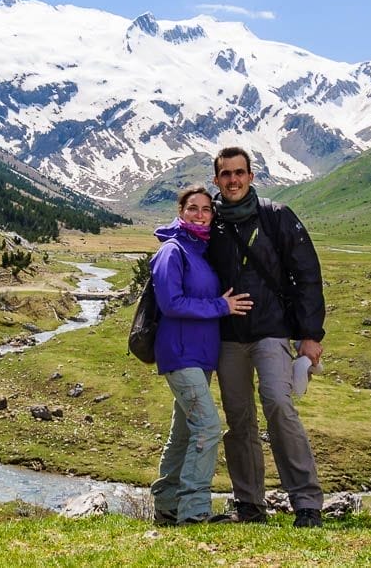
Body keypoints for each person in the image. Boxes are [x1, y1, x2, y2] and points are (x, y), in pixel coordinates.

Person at [205, 146, 327, 528]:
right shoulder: (211, 223)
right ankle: (249, 505)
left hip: (272, 331)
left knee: (278, 403)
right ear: (217, 180)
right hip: (228, 336)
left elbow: (307, 275)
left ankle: (307, 503)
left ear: (252, 176)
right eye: (226, 174)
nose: (233, 180)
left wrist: (310, 336)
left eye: (239, 173)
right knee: (238, 419)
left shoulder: (277, 216)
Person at [149, 184, 253, 526]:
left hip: (199, 355)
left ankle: (166, 506)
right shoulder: (173, 251)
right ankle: (193, 513)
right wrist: (221, 306)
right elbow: (171, 303)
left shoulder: (200, 250)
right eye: (193, 208)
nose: (200, 214)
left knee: (183, 432)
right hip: (180, 354)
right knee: (208, 427)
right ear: (181, 212)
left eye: (206, 209)